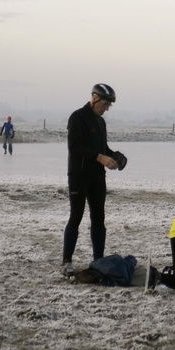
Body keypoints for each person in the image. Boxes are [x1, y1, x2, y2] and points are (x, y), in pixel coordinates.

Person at [64, 84, 119, 275]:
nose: (106, 108)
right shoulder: (78, 117)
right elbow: (75, 147)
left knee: (98, 218)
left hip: (97, 176)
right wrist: (99, 157)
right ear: (94, 98)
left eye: (109, 105)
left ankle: (98, 260)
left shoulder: (101, 122)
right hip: (79, 175)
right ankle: (67, 261)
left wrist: (114, 156)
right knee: (76, 217)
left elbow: (102, 148)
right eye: (105, 103)